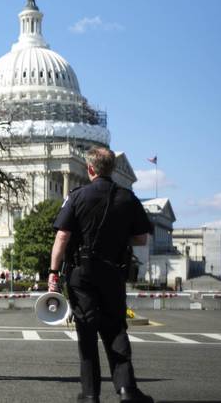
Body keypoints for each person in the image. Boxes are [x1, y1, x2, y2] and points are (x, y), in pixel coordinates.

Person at [49, 147, 154, 403]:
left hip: (81, 273)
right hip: (112, 272)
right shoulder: (128, 197)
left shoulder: (77, 195)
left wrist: (53, 272)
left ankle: (90, 393)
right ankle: (127, 390)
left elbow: (62, 235)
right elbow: (141, 238)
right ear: (112, 169)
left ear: (91, 168)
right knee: (116, 329)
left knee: (86, 331)